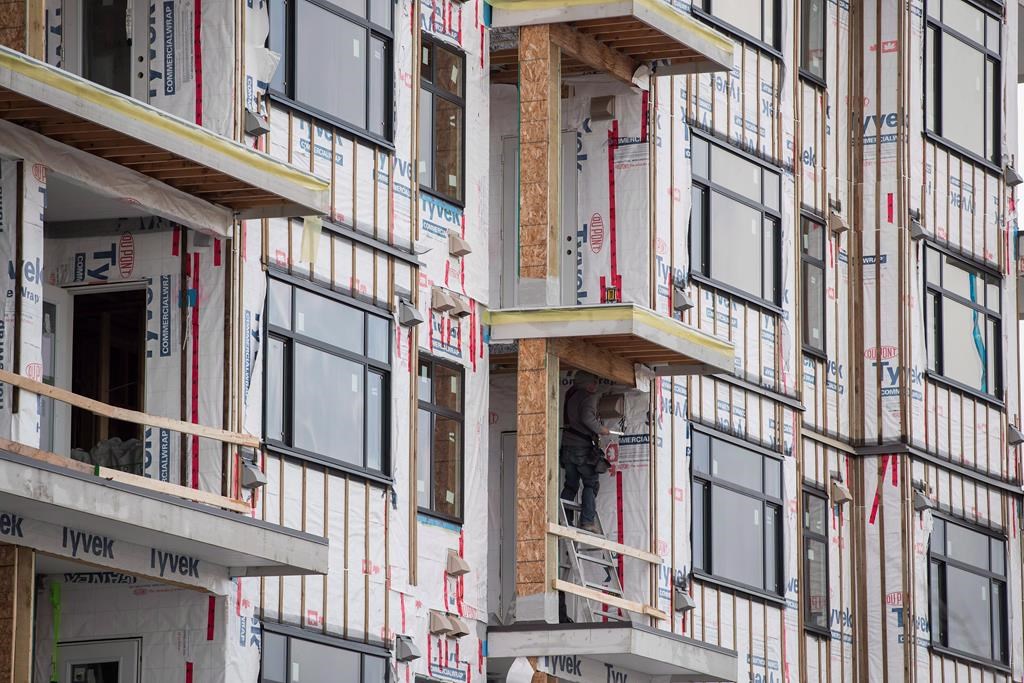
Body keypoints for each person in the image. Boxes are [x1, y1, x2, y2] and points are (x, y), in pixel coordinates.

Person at [559, 371, 609, 534]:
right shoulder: (588, 397)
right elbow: (587, 418)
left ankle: (564, 518)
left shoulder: (570, 394)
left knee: (570, 485)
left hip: (567, 447)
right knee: (590, 483)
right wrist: (601, 429)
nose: (596, 385)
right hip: (582, 448)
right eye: (594, 382)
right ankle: (587, 522)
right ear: (587, 383)